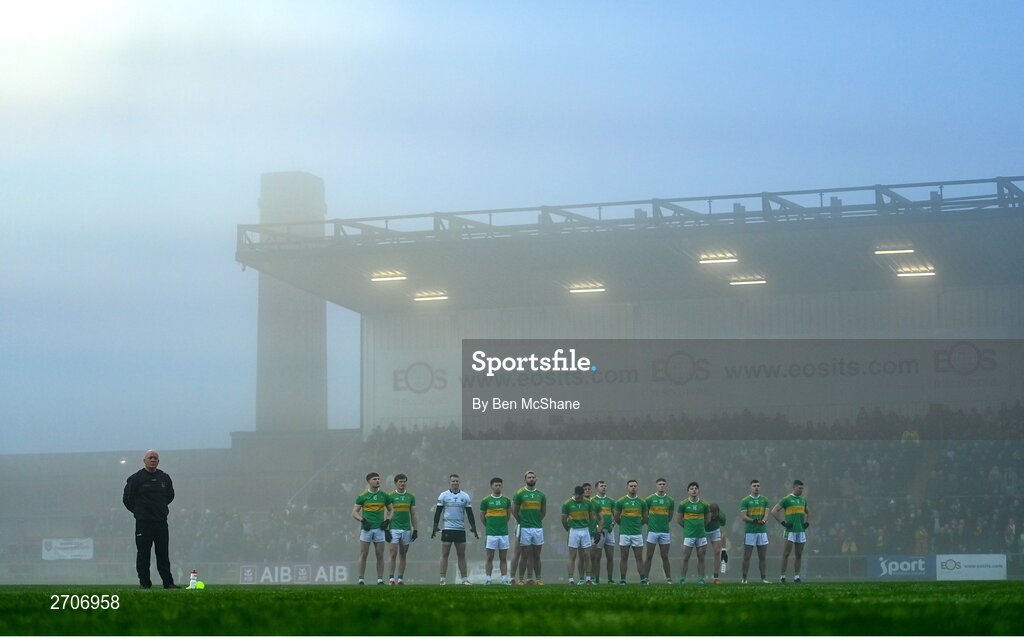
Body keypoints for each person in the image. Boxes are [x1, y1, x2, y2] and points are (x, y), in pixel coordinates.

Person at [122, 450, 179, 589]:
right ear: (144, 460)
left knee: (163, 554)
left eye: (155, 458)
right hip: (143, 523)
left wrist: (160, 509)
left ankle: (168, 583)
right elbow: (127, 499)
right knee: (143, 554)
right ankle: (145, 583)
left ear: (158, 461)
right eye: (150, 458)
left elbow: (170, 496)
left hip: (160, 522)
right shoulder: (135, 478)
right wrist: (138, 512)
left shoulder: (164, 478)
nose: (153, 460)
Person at [432, 473, 478, 585]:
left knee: (461, 555)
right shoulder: (443, 495)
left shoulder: (465, 496)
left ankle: (464, 579)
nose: (455, 483)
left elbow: (470, 514)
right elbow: (438, 512)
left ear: (459, 482)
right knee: (444, 554)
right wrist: (435, 526)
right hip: (447, 529)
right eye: (453, 481)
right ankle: (442, 579)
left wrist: (474, 527)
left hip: (460, 529)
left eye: (457, 481)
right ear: (449, 483)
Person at [352, 472, 390, 585]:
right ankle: (361, 579)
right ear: (369, 481)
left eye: (378, 479)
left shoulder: (384, 495)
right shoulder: (362, 496)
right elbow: (354, 512)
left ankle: (380, 579)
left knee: (380, 554)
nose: (377, 481)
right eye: (375, 479)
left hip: (380, 529)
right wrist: (362, 520)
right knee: (363, 554)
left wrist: (387, 521)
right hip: (366, 529)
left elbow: (391, 510)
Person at [771, 479, 810, 583]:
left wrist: (807, 522)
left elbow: (809, 512)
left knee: (799, 554)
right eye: (799, 488)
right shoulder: (786, 499)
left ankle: (797, 577)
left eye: (802, 488)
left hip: (800, 531)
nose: (801, 490)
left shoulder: (803, 500)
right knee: (786, 554)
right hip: (790, 531)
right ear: (794, 487)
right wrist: (783, 523)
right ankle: (782, 576)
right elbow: (774, 511)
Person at [511, 470, 546, 585]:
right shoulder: (519, 494)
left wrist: (536, 521)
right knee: (524, 554)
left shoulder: (541, 495)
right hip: (525, 528)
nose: (531, 479)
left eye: (533, 477)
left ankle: (538, 579)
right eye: (529, 477)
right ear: (525, 479)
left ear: (536, 479)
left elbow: (543, 512)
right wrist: (521, 521)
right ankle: (521, 579)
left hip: (537, 528)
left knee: (536, 555)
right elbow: (514, 511)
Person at [562, 485, 600, 585]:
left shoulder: (588, 503)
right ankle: (571, 580)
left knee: (587, 555)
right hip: (573, 531)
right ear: (574, 494)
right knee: (572, 555)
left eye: (582, 497)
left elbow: (592, 518)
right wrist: (569, 529)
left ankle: (588, 579)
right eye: (579, 497)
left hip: (585, 530)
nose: (581, 499)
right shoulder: (567, 504)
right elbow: (563, 520)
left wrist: (587, 526)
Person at [386, 473, 418, 585]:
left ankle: (400, 579)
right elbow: (387, 512)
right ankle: (391, 579)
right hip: (394, 528)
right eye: (400, 482)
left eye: (404, 481)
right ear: (395, 483)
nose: (402, 484)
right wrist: (386, 529)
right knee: (393, 553)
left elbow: (413, 514)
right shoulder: (390, 496)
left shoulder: (410, 497)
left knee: (403, 554)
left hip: (406, 529)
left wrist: (415, 530)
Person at [480, 477, 512, 585]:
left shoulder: (506, 500)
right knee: (489, 557)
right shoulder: (485, 500)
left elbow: (508, 516)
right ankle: (488, 579)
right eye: (496, 485)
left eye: (499, 485)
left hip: (503, 533)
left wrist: (502, 525)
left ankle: (504, 579)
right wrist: (489, 526)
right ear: (491, 486)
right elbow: (482, 517)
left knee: (503, 557)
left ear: (502, 486)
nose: (498, 487)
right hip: (491, 534)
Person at [614, 479, 647, 585]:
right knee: (624, 557)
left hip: (637, 534)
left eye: (635, 486)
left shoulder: (642, 502)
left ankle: (643, 579)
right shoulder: (621, 502)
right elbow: (616, 518)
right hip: (624, 534)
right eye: (631, 486)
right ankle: (623, 579)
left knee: (639, 558)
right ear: (627, 487)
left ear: (637, 488)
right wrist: (624, 526)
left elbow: (645, 519)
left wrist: (637, 526)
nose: (633, 488)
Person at [677, 481, 711, 584]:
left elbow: (708, 520)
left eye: (696, 488)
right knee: (685, 557)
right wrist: (688, 528)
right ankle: (682, 579)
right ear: (688, 491)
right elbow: (679, 520)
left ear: (698, 490)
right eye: (691, 488)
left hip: (701, 535)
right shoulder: (683, 504)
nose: (694, 490)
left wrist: (700, 527)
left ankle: (701, 579)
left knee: (701, 557)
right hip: (689, 535)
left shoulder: (704, 504)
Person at [643, 478, 675, 584]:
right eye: (660, 484)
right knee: (649, 555)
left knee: (665, 556)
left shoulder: (670, 500)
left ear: (666, 486)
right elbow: (645, 514)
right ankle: (645, 579)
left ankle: (669, 579)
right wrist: (650, 523)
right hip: (652, 531)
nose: (661, 486)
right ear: (656, 486)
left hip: (665, 532)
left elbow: (670, 517)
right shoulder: (649, 499)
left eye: (663, 484)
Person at [740, 479, 771, 584]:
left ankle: (763, 578)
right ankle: (744, 579)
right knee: (746, 556)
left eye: (758, 485)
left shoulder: (765, 500)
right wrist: (754, 520)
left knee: (762, 557)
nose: (756, 487)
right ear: (750, 487)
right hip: (750, 532)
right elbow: (743, 516)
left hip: (762, 532)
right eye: (754, 486)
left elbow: (767, 514)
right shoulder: (745, 500)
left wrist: (763, 521)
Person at [591, 480, 617, 584]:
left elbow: (616, 516)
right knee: (597, 556)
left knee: (610, 556)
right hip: (599, 532)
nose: (604, 488)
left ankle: (610, 579)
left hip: (609, 531)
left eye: (605, 486)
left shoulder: (611, 501)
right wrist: (597, 528)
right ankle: (596, 579)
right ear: (597, 488)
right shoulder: (592, 501)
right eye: (602, 486)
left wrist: (612, 525)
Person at [706, 503, 728, 583]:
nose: (714, 516)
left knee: (717, 551)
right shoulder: (704, 513)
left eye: (716, 514)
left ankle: (716, 578)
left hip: (715, 530)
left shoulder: (722, 516)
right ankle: (701, 577)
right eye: (712, 514)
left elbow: (723, 532)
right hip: (704, 530)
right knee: (701, 552)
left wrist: (724, 549)